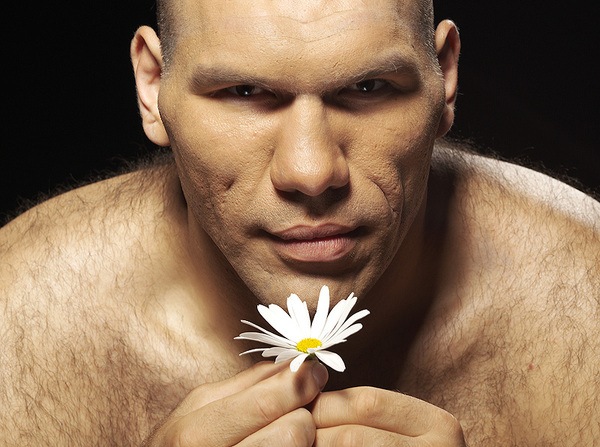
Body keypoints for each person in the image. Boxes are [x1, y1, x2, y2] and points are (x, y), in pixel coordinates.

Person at [1, 0, 598, 445]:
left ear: (444, 76)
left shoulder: (585, 300)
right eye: (243, 91)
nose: (312, 173)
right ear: (152, 86)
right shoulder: (18, 324)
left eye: (368, 87)